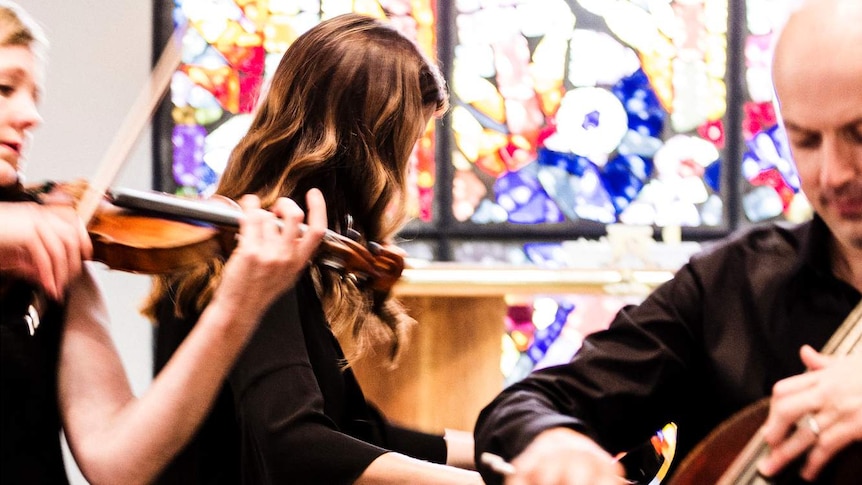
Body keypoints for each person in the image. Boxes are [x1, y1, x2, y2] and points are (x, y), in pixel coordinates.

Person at [473, 0, 862, 483]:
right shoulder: (731, 284)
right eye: (805, 141)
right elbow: (530, 403)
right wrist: (555, 445)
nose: (833, 173)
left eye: (860, 134)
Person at [147, 12, 482, 485]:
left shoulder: (281, 244)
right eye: (406, 151)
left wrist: (498, 450)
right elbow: (296, 444)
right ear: (369, 149)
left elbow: (355, 428)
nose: (409, 176)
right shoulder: (256, 250)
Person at [0, 2, 328, 483]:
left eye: (35, 95)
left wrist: (235, 310)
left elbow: (118, 463)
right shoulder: (30, 233)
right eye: (5, 89)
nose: (31, 115)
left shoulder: (51, 247)